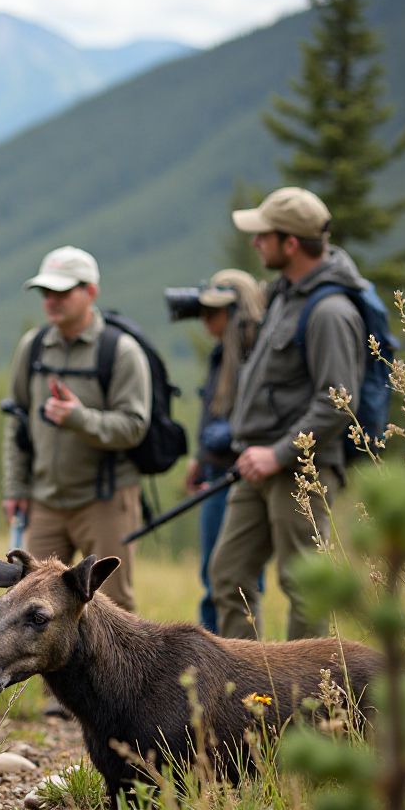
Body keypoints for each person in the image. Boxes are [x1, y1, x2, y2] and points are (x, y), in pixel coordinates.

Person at [209, 187, 365, 640]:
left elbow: (338, 400)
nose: (255, 243)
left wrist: (277, 454)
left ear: (291, 243)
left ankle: (311, 686)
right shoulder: (284, 298)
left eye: (264, 235)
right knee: (228, 576)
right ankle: (242, 682)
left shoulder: (330, 311)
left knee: (303, 585)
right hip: (257, 465)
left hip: (298, 469)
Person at [2, 246, 151, 612]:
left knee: (114, 606)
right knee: (28, 602)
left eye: (63, 291)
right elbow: (17, 420)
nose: (51, 300)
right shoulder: (34, 347)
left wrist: (79, 418)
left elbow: (134, 427)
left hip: (106, 500)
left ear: (91, 292)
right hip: (45, 500)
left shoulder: (120, 352)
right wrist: (16, 487)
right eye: (46, 292)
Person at [180, 269, 265, 634]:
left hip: (239, 474)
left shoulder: (253, 354)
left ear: (234, 312)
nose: (205, 319)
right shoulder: (222, 354)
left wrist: (225, 439)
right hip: (217, 471)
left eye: (213, 311)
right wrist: (201, 456)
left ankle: (234, 657)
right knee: (215, 574)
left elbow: (257, 414)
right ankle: (215, 654)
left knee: (232, 577)